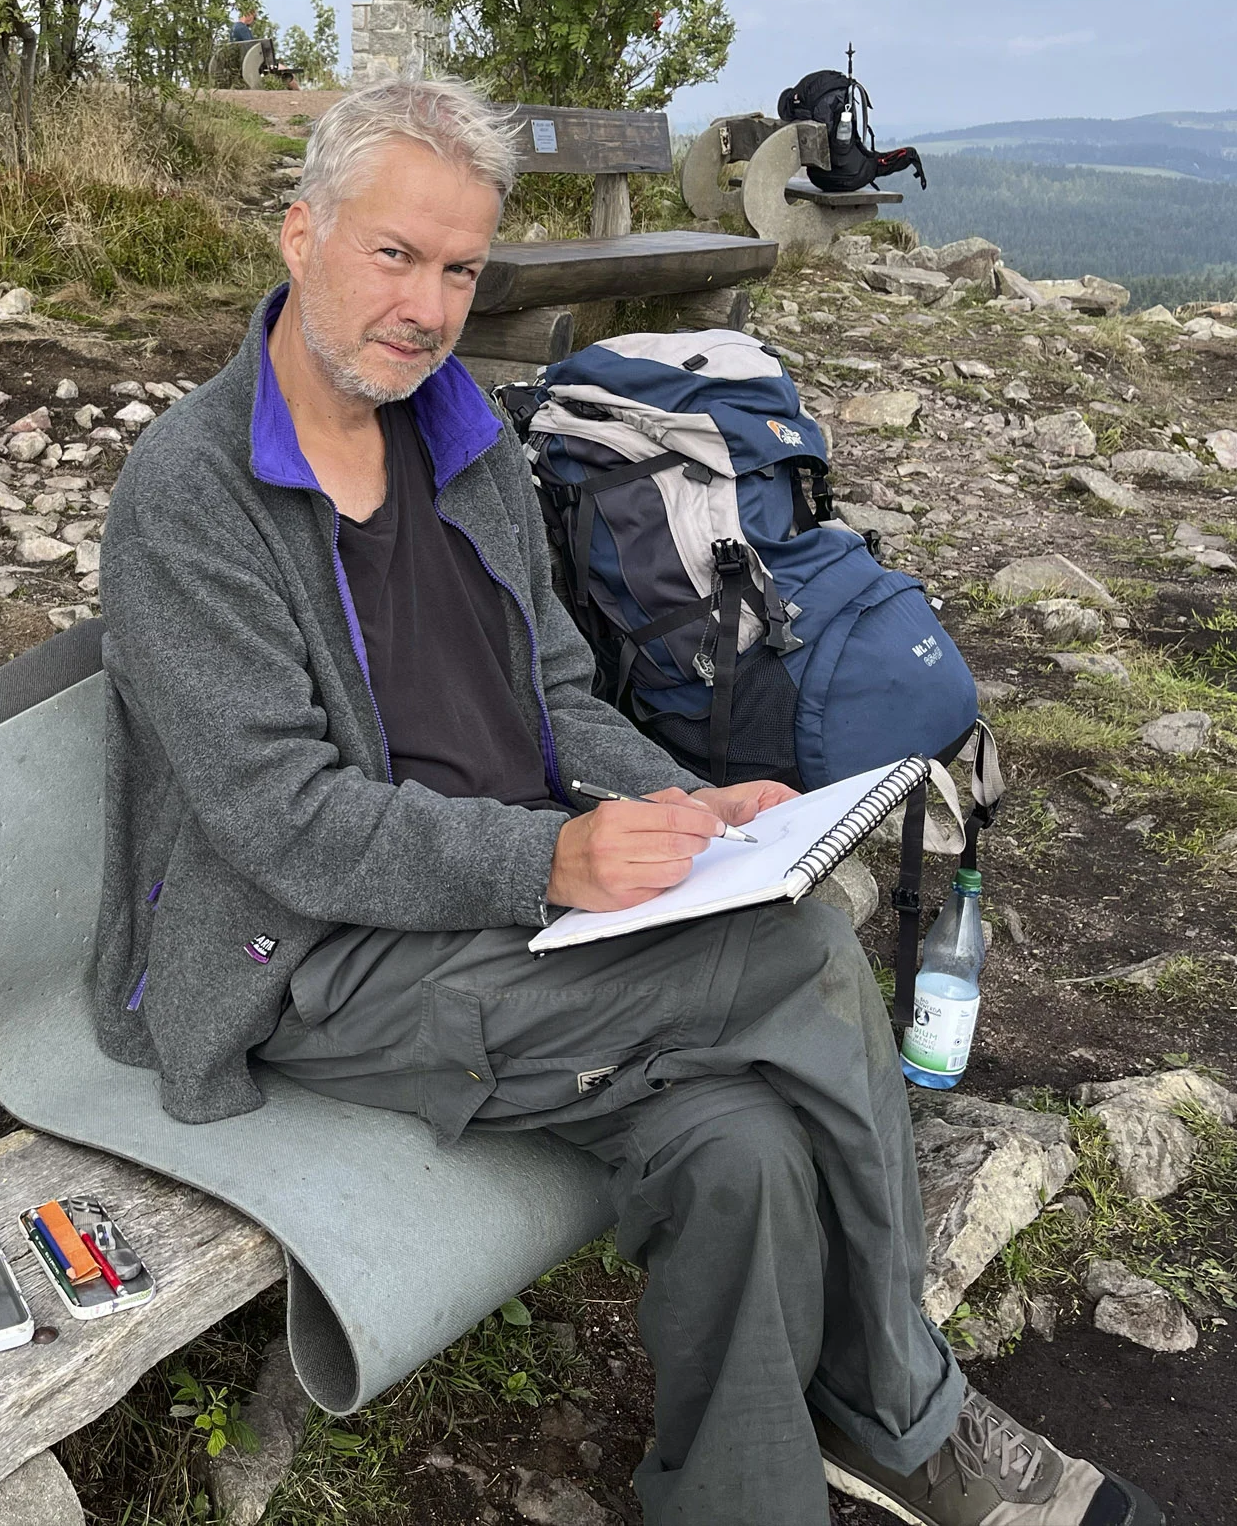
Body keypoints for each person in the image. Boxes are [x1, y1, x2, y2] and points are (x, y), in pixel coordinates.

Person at [93, 78, 1163, 1526]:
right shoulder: (193, 492)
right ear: (302, 234)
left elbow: (557, 696)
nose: (426, 307)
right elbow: (283, 823)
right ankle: (908, 1414)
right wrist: (557, 860)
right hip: (311, 958)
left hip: (508, 919)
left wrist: (690, 806)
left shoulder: (460, 439)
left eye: (460, 269)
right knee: (795, 946)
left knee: (741, 1149)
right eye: (394, 255)